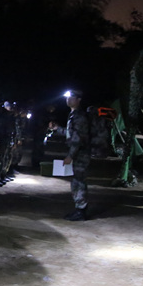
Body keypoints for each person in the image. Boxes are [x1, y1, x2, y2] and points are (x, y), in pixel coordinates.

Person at [49, 89, 91, 221]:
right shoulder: (73, 115)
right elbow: (70, 134)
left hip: (81, 153)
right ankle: (79, 208)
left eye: (71, 97)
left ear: (78, 99)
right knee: (76, 181)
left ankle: (81, 210)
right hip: (78, 153)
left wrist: (70, 156)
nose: (68, 99)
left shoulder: (79, 116)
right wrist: (57, 129)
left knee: (79, 182)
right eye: (67, 97)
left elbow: (78, 139)